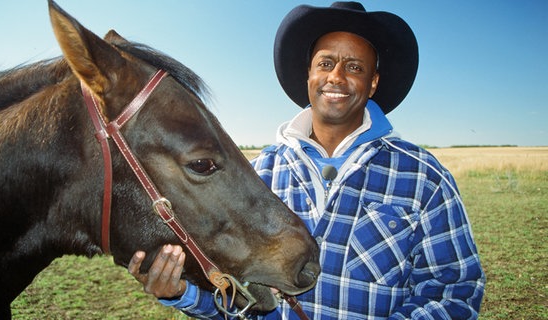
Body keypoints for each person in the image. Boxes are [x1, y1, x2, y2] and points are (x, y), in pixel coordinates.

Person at [128, 2, 486, 319]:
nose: (336, 76)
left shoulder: (423, 176)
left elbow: (455, 291)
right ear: (309, 74)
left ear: (373, 82)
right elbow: (244, 302)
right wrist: (183, 294)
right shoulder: (263, 171)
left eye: (355, 67)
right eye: (326, 63)